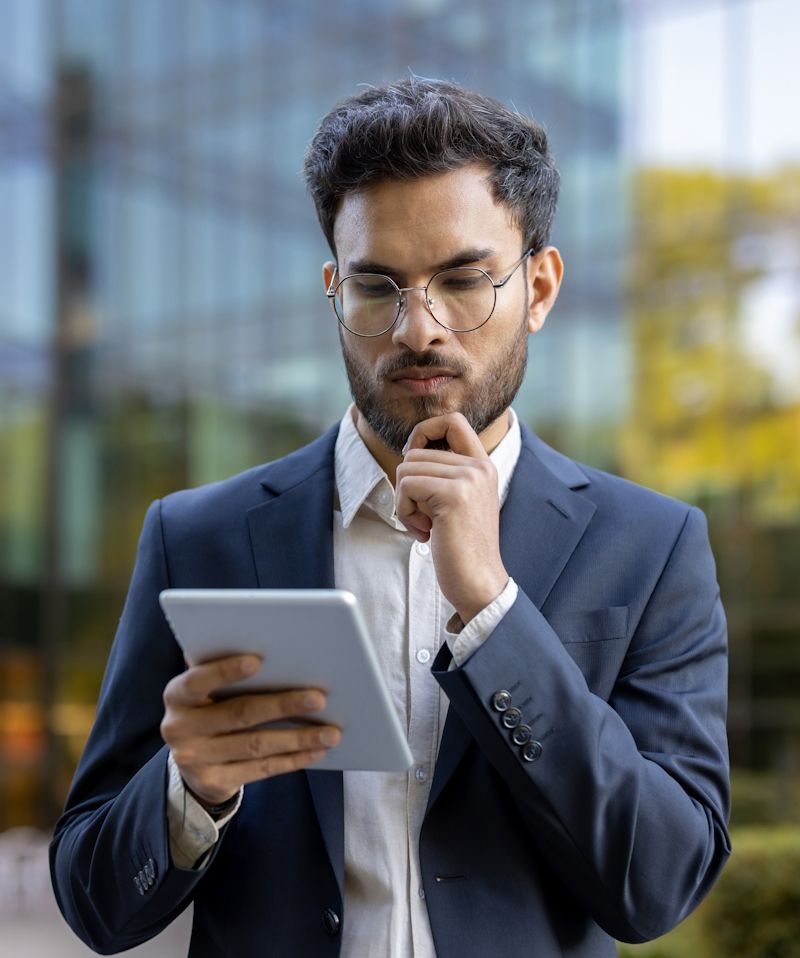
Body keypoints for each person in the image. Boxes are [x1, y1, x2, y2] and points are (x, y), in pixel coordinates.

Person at [50, 77, 731, 957]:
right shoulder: (197, 539)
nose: (419, 328)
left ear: (542, 286)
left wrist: (492, 609)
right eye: (378, 287)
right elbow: (93, 901)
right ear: (334, 291)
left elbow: (660, 883)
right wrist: (190, 791)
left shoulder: (652, 548)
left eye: (464, 279)